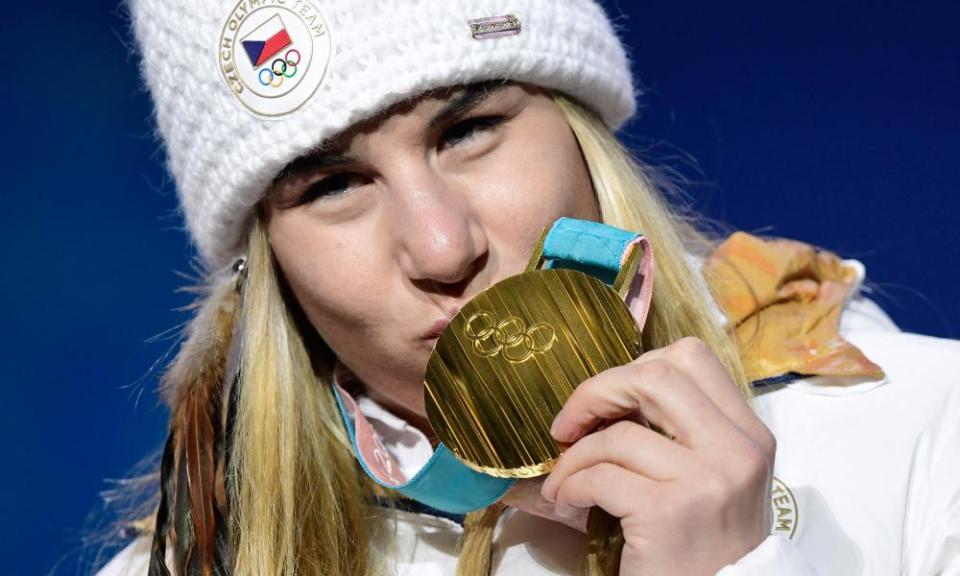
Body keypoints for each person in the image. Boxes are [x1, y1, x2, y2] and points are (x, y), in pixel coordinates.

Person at [98, 0, 960, 574]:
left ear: (580, 133)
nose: (442, 246)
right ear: (267, 265)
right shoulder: (183, 565)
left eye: (469, 129)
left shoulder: (929, 434)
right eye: (332, 187)